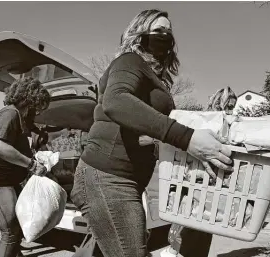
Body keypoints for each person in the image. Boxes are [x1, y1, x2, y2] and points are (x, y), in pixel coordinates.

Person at [70, 9, 233, 257]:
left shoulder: (154, 79)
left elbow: (143, 127)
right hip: (107, 177)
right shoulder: (128, 61)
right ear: (138, 33)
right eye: (158, 31)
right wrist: (187, 138)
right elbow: (116, 102)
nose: (165, 36)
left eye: (168, 32)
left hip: (128, 180)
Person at [0, 77, 51, 257]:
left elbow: (30, 139)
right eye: (38, 106)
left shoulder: (22, 118)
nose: (38, 112)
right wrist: (31, 165)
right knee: (11, 232)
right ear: (30, 100)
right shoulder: (10, 113)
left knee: (19, 227)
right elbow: (1, 147)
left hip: (5, 179)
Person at [166, 86, 238, 257]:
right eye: (229, 106)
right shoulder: (207, 122)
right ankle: (174, 251)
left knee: (202, 229)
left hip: (209, 185)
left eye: (233, 106)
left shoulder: (228, 123)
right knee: (191, 228)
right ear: (219, 104)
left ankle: (176, 251)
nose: (231, 110)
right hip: (195, 182)